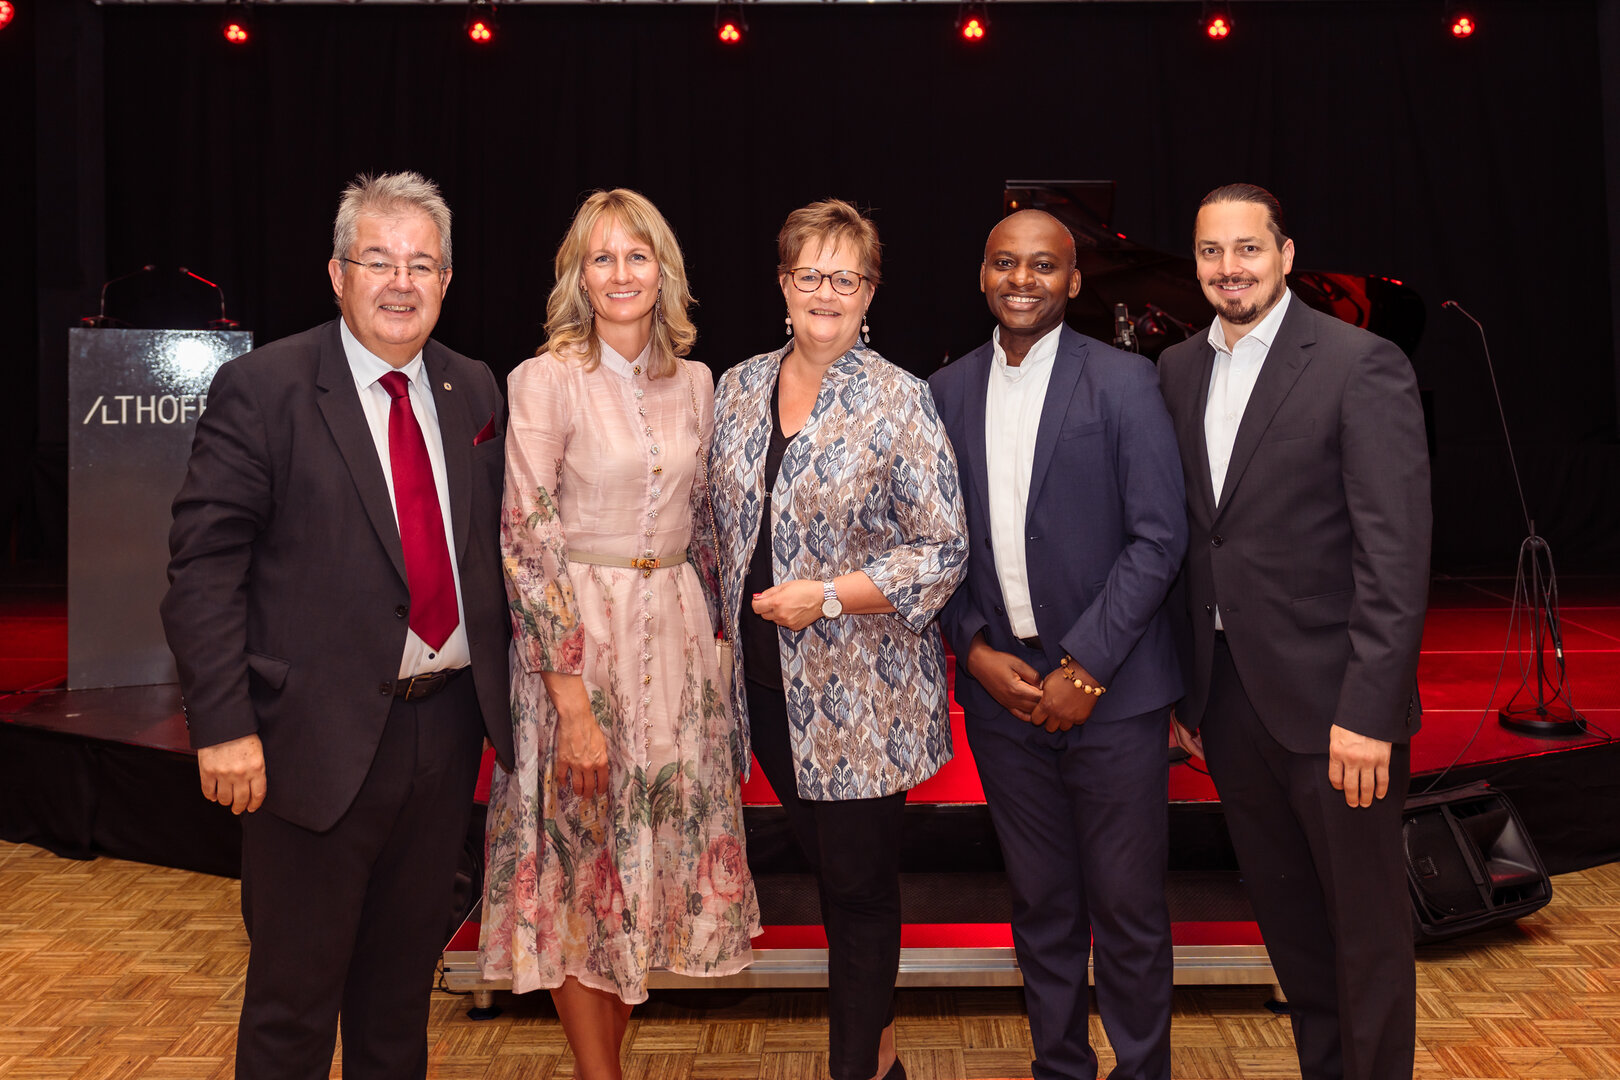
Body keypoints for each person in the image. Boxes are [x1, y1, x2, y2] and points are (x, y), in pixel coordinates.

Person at [161, 171, 515, 1079]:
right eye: (378, 260)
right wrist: (224, 725)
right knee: (293, 1010)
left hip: (444, 736)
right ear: (337, 273)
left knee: (397, 1009)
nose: (401, 283)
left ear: (447, 281)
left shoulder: (472, 387)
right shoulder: (264, 388)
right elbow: (204, 570)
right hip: (308, 745)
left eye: (422, 265)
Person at [478, 189, 759, 1080]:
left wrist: (720, 666)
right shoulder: (546, 379)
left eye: (638, 255)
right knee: (579, 869)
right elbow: (527, 540)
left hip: (674, 644)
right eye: (602, 258)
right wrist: (571, 703)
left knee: (643, 871)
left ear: (663, 271)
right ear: (579, 277)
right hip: (579, 647)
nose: (622, 273)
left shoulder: (698, 381)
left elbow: (709, 529)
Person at [1158, 183, 1431, 1080]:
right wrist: (1188, 694)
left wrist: (1370, 714)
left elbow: (1395, 556)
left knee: (1366, 939)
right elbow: (1197, 541)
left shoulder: (1361, 364)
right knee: (1296, 938)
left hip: (1336, 710)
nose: (1228, 267)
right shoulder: (1177, 369)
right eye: (1211, 251)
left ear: (1285, 255)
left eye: (1247, 248)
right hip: (1229, 703)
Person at [710, 198, 968, 1080]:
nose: (827, 293)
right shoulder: (736, 388)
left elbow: (941, 550)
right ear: (783, 285)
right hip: (763, 693)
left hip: (863, 699)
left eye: (846, 278)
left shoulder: (901, 398)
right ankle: (882, 1052)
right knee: (832, 876)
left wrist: (826, 597)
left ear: (870, 292)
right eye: (811, 275)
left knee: (857, 888)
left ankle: (858, 1066)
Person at [927, 210, 1188, 1080]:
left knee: (1128, 911)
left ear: (1074, 281)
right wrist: (971, 649)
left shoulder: (1125, 382)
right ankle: (1061, 1068)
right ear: (982, 274)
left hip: (1114, 695)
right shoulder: (944, 391)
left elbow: (1159, 538)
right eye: (1006, 262)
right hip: (1001, 696)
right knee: (1040, 906)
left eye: (1043, 265)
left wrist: (1086, 666)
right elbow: (935, 548)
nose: (1022, 279)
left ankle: (1143, 1070)